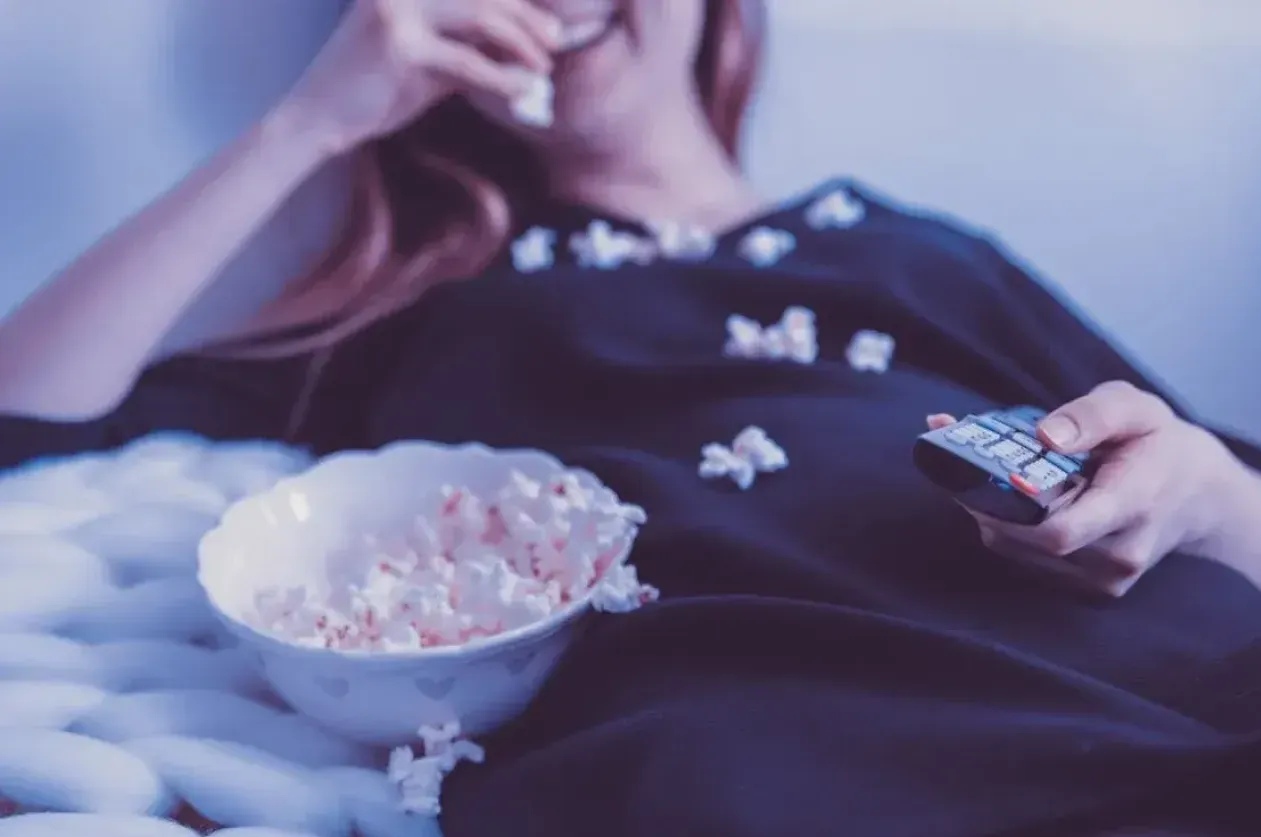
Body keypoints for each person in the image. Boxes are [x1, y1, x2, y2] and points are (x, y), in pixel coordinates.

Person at [2, 0, 1261, 833]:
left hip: (1151, 675)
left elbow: (1222, 494)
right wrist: (310, 121)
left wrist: (1203, 494)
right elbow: (26, 421)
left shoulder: (919, 254)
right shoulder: (435, 313)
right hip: (775, 739)